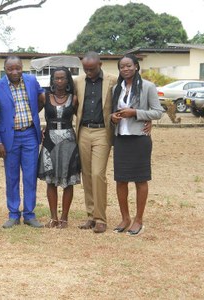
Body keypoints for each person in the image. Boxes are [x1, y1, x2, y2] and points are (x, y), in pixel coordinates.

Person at [110, 54, 163, 236]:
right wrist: (113, 117)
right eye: (122, 67)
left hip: (139, 138)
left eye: (128, 66)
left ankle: (138, 220)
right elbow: (112, 112)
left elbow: (157, 112)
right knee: (120, 179)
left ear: (136, 66)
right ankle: (125, 218)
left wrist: (136, 113)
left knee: (140, 179)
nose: (125, 69)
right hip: (121, 139)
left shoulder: (147, 86)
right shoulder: (117, 88)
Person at [0, 56, 46, 228]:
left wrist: (34, 117)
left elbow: (41, 98)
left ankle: (29, 214)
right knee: (12, 177)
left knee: (30, 176)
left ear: (22, 67)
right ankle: (14, 214)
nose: (14, 72)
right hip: (9, 137)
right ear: (5, 69)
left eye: (18, 68)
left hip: (30, 134)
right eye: (10, 69)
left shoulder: (31, 81)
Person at [74, 51, 118, 233]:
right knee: (87, 174)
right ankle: (91, 216)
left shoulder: (113, 80)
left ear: (100, 65)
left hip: (102, 130)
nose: (88, 72)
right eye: (85, 69)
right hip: (83, 130)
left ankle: (101, 218)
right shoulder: (78, 81)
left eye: (91, 69)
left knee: (98, 173)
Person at [37, 67, 81, 229]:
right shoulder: (44, 97)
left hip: (68, 141)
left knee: (68, 181)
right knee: (51, 180)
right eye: (57, 78)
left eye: (63, 78)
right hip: (49, 139)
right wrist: (40, 129)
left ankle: (64, 218)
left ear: (68, 80)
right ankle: (53, 217)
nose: (60, 81)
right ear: (52, 80)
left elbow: (82, 116)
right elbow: (34, 114)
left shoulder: (74, 99)